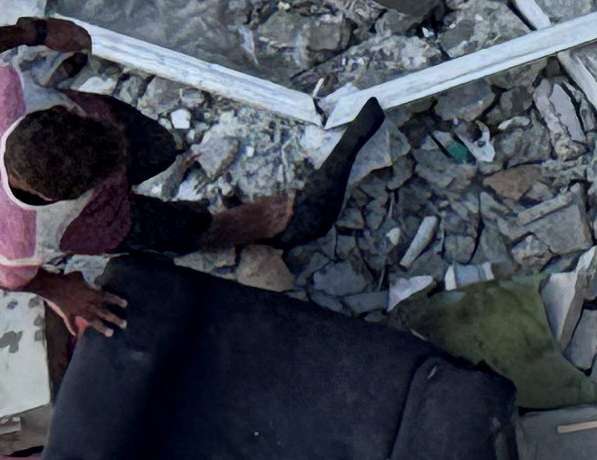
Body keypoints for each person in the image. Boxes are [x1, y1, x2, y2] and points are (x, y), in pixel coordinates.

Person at [0, 24, 377, 338]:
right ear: (53, 195)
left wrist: (33, 31)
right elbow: (10, 278)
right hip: (89, 221)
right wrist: (57, 289)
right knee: (169, 231)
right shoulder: (16, 242)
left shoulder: (10, 90)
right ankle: (261, 226)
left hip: (91, 136)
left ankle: (130, 156)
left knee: (158, 147)